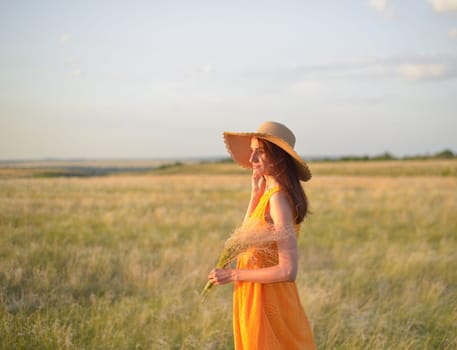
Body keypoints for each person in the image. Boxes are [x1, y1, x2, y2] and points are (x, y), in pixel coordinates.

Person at [207, 121, 316, 349]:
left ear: (277, 158)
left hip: (269, 302)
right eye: (251, 152)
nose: (251, 159)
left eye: (260, 152)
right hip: (252, 296)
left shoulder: (277, 200)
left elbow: (288, 270)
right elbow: (244, 238)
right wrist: (255, 194)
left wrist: (234, 275)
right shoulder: (267, 196)